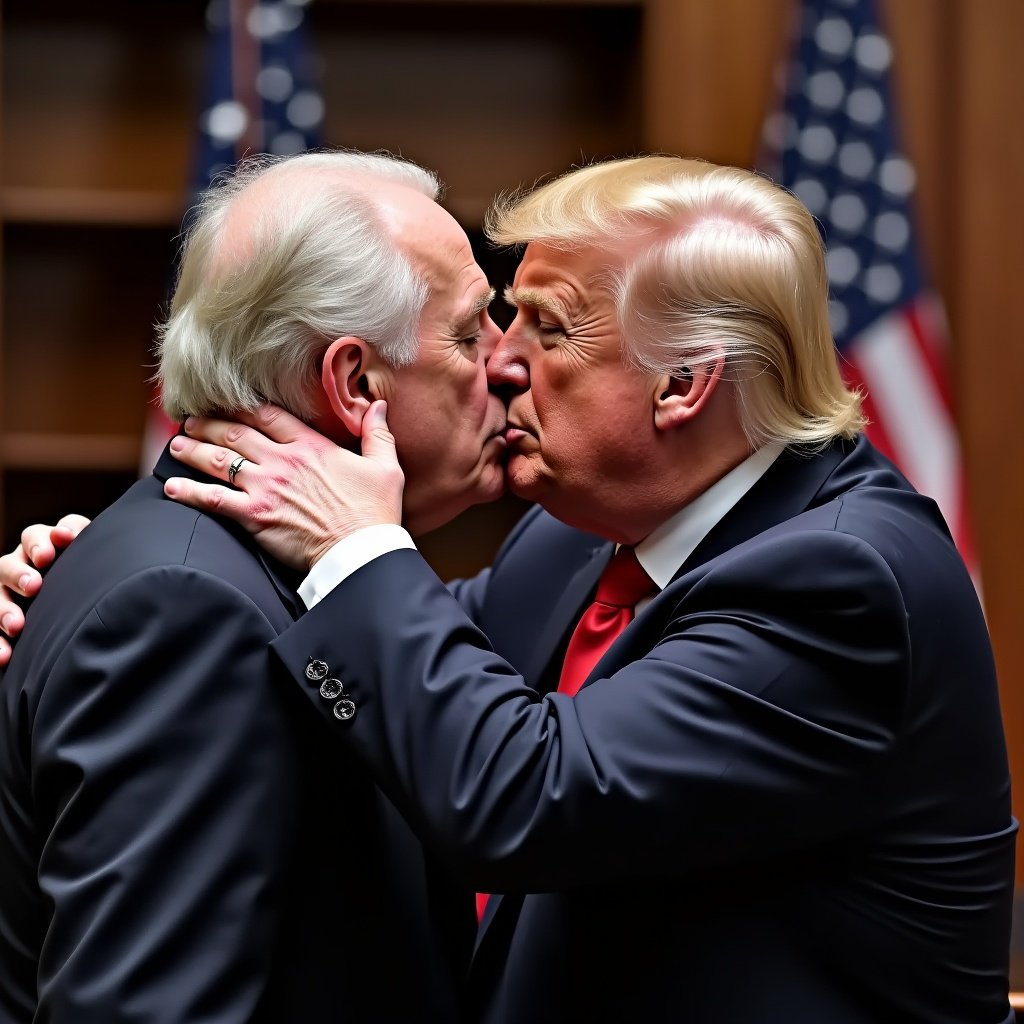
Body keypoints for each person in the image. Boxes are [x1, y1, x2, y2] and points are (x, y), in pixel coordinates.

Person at [2, 154, 1016, 1023]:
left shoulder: (844, 580)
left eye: (547, 329)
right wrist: (119, 582)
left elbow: (526, 793)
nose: (505, 367)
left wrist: (348, 553)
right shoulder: (575, 538)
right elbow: (385, 672)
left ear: (681, 384)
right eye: (491, 325)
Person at [0, 148, 507, 1022]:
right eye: (470, 334)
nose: (510, 363)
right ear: (354, 383)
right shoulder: (190, 610)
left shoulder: (228, 570)